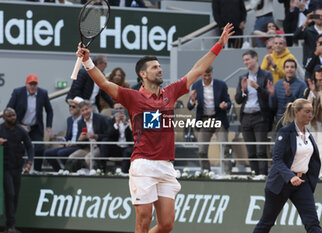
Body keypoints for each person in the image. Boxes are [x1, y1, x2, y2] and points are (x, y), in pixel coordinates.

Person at [75, 23, 234, 233]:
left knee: (166, 225)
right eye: (154, 67)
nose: (160, 69)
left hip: (166, 166)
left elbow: (197, 69)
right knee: (143, 220)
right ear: (143, 74)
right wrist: (86, 61)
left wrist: (219, 45)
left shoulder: (170, 92)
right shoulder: (133, 97)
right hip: (143, 165)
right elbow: (104, 83)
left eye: (160, 66)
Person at [252, 98, 322, 233]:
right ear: (296, 112)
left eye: (311, 112)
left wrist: (308, 179)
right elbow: (277, 160)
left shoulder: (308, 134)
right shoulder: (285, 132)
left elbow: (313, 160)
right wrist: (290, 176)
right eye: (306, 112)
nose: (310, 115)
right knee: (266, 223)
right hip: (281, 183)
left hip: (302, 183)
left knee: (312, 223)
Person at [187, 66, 232, 174]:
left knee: (225, 147)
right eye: (204, 75)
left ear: (212, 73)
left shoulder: (221, 85)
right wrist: (192, 101)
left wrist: (225, 105)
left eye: (209, 75)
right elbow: (189, 106)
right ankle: (206, 172)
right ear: (201, 75)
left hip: (219, 119)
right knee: (202, 150)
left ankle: (227, 173)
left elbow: (229, 102)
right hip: (204, 121)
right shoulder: (196, 85)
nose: (207, 78)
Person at [235, 50, 273, 175]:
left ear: (255, 58)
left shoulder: (266, 75)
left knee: (261, 151)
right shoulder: (242, 77)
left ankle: (262, 176)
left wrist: (257, 88)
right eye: (244, 60)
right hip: (246, 117)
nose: (245, 62)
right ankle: (254, 174)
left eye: (247, 59)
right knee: (250, 151)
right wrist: (243, 90)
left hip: (260, 116)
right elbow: (238, 100)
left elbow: (269, 97)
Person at [7, 74, 53, 171]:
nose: (32, 86)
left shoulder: (43, 93)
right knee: (20, 148)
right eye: (30, 84)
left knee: (39, 148)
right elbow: (9, 109)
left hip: (35, 127)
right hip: (20, 126)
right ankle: (21, 169)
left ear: (37, 85)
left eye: (34, 84)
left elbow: (49, 110)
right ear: (26, 84)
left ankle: (37, 170)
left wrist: (49, 126)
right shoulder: (17, 92)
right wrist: (18, 124)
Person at [0, 108, 34, 233]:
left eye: (14, 115)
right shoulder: (1, 129)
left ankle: (10, 225)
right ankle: (10, 225)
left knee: (15, 196)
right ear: (4, 118)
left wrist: (29, 162)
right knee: (10, 194)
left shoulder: (20, 130)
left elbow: (29, 146)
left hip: (17, 167)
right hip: (4, 168)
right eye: (9, 116)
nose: (13, 118)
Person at [65, 100, 108, 171]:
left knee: (88, 158)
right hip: (87, 147)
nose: (85, 112)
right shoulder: (80, 122)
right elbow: (79, 144)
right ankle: (72, 175)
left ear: (91, 109)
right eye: (82, 110)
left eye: (86, 109)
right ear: (80, 112)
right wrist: (80, 139)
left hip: (99, 146)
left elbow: (108, 135)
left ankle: (95, 175)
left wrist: (96, 136)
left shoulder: (101, 119)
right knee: (72, 157)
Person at [43, 96, 83, 171]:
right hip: (69, 145)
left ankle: (69, 170)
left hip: (79, 146)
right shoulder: (69, 120)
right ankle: (59, 171)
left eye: (73, 106)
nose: (70, 108)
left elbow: (84, 137)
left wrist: (73, 143)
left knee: (61, 153)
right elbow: (68, 136)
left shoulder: (85, 120)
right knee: (47, 153)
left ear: (80, 108)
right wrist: (63, 139)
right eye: (70, 106)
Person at [268, 59, 307, 125]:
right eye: (287, 67)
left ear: (295, 69)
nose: (289, 69)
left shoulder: (302, 85)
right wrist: (272, 95)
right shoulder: (278, 84)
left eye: (292, 67)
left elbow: (301, 106)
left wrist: (289, 95)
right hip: (280, 121)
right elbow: (273, 107)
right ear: (284, 69)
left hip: (295, 122)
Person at [102, 104, 133, 173]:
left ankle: (123, 172)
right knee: (104, 144)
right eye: (116, 109)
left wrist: (126, 124)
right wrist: (116, 124)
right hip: (117, 147)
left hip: (128, 147)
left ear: (124, 110)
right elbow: (108, 136)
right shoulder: (110, 121)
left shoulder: (130, 120)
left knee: (127, 151)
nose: (118, 111)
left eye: (120, 108)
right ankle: (102, 169)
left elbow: (132, 136)